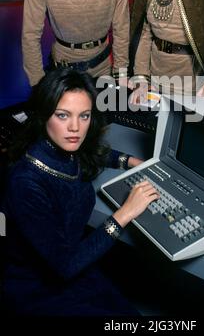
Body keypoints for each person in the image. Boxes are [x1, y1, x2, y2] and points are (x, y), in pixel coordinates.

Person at [1, 68, 159, 316]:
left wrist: (131, 161)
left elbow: (91, 152)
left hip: (76, 265)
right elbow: (65, 265)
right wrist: (124, 214)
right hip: (37, 287)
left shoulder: (62, 147)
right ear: (43, 116)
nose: (75, 128)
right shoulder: (26, 182)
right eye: (62, 116)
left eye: (84, 116)